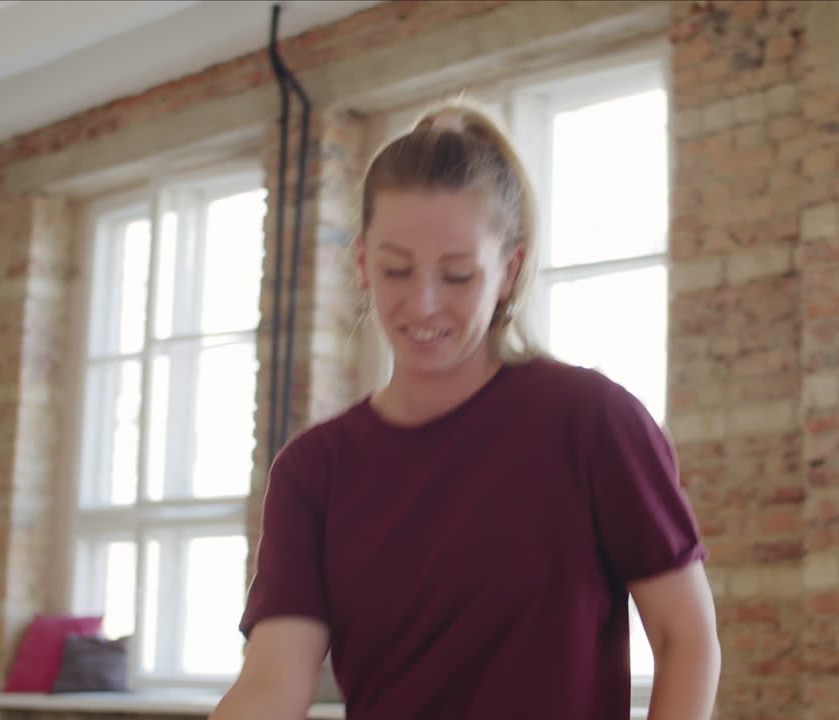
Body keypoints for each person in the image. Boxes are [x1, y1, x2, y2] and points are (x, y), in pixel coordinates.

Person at [210, 102, 720, 720]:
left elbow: (685, 640)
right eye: (397, 269)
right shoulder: (314, 472)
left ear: (508, 270)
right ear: (363, 263)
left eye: (456, 276)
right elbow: (271, 686)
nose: (423, 304)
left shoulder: (591, 422)